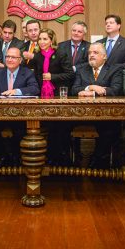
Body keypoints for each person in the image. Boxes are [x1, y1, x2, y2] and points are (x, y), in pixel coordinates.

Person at [0, 47, 39, 164]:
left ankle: (16, 158)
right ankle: (2, 155)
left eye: (13, 57)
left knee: (20, 131)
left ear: (20, 60)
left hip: (20, 115)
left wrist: (16, 91)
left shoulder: (27, 72)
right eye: (7, 57)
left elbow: (35, 89)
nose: (10, 60)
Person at [70, 42, 123, 167]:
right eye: (89, 53)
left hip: (106, 114)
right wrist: (92, 86)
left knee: (110, 129)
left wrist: (89, 92)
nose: (91, 55)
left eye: (95, 53)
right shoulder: (82, 70)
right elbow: (74, 89)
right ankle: (76, 162)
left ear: (104, 56)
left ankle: (99, 161)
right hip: (82, 114)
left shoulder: (114, 69)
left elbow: (115, 90)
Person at [33, 28, 74, 163]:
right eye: (40, 39)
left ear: (51, 40)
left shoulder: (61, 54)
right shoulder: (38, 56)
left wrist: (53, 77)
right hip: (43, 97)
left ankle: (63, 159)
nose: (42, 41)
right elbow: (37, 75)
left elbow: (70, 74)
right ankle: (49, 158)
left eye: (45, 39)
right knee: (48, 127)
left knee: (60, 128)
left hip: (59, 95)